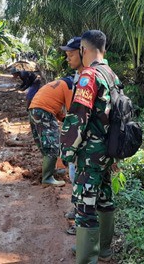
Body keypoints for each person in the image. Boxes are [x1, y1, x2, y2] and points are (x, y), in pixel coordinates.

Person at [61, 30, 117, 263]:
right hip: (108, 151)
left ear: (84, 50)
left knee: (85, 205)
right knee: (105, 198)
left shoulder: (89, 76)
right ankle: (103, 250)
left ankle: (87, 258)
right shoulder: (111, 74)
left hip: (91, 153)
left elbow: (78, 117)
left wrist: (67, 150)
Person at [28, 76, 75, 186]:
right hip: (44, 112)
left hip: (34, 110)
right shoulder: (69, 86)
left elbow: (57, 109)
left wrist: (64, 119)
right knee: (52, 145)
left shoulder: (57, 84)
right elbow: (71, 109)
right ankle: (47, 178)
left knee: (46, 145)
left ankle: (51, 170)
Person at [60, 36, 84, 235]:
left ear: (83, 52)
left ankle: (82, 223)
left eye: (71, 54)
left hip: (87, 144)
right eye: (66, 55)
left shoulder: (89, 78)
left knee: (84, 184)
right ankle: (76, 210)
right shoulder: (77, 76)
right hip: (78, 141)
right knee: (74, 177)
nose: (68, 58)